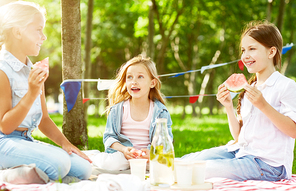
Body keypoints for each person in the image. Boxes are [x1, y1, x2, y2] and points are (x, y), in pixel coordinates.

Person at [181, 21, 296, 181]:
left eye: (252, 49)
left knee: (202, 170)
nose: (245, 55)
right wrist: (228, 106)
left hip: (268, 165)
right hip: (240, 151)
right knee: (189, 160)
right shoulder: (251, 87)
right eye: (243, 50)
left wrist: (263, 105)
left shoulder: (286, 86)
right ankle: (144, 166)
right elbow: (239, 136)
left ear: (271, 52)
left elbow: (293, 130)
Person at [0, 1, 92, 181]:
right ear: (18, 32)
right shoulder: (2, 70)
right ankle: (6, 176)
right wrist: (32, 93)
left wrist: (66, 144)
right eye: (38, 30)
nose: (44, 37)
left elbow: (43, 119)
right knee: (60, 164)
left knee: (84, 168)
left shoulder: (33, 70)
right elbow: (5, 126)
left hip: (25, 141)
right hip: (4, 142)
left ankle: (34, 176)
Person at [89, 55, 173, 171]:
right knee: (110, 164)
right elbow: (109, 137)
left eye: (140, 77)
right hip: (123, 157)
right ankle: (92, 156)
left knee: (166, 166)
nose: (134, 81)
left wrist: (152, 153)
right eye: (129, 77)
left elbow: (166, 140)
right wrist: (124, 150)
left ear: (152, 83)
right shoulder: (118, 110)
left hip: (148, 158)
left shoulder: (160, 111)